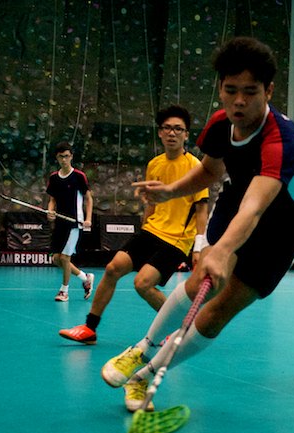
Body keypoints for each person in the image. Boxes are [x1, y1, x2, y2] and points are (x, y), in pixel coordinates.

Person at [98, 36, 294, 412]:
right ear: (220, 88)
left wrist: (222, 250)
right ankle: (143, 349)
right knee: (201, 281)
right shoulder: (220, 123)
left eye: (251, 91)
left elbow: (256, 208)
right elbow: (211, 172)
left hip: (282, 226)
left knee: (217, 311)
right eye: (231, 91)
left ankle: (145, 375)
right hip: (236, 203)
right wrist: (169, 192)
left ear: (270, 90)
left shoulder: (283, 141)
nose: (239, 102)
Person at [58, 105, 209, 345]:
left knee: (143, 284)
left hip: (178, 239)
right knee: (112, 268)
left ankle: (181, 328)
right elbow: (151, 202)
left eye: (178, 129)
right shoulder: (155, 164)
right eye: (167, 128)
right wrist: (143, 228)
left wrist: (199, 247)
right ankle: (89, 329)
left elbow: (202, 207)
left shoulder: (196, 168)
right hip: (151, 231)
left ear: (186, 134)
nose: (172, 133)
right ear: (160, 132)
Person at [46, 141, 94, 302]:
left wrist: (88, 219)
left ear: (71, 157)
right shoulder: (54, 178)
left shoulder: (79, 176)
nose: (64, 160)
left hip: (75, 222)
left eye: (67, 156)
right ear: (57, 158)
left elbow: (88, 199)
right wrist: (50, 210)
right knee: (56, 259)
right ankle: (85, 277)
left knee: (65, 258)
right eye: (61, 157)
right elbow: (52, 200)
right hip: (60, 222)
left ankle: (64, 291)